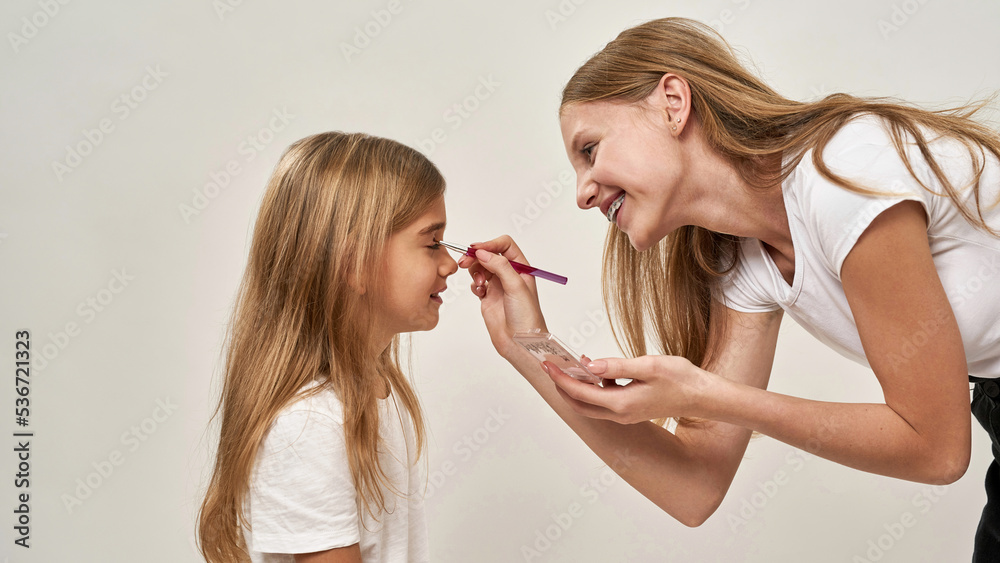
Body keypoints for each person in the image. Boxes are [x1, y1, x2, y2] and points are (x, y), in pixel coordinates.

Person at [460, 17, 1000, 560]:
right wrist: (526, 344)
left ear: (673, 104)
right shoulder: (739, 260)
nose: (581, 194)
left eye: (590, 150)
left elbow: (937, 449)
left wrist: (704, 395)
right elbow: (694, 485)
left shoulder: (841, 174)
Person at [198, 132, 457, 563]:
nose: (450, 263)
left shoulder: (377, 390)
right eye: (432, 243)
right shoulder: (309, 426)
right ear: (353, 263)